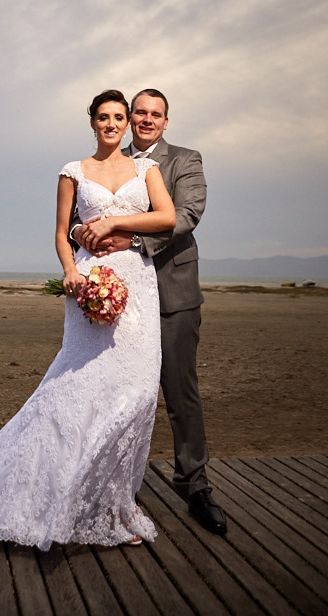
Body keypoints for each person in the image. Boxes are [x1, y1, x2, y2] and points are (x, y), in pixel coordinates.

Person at [0, 90, 176, 550]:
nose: (112, 124)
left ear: (127, 123)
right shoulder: (73, 171)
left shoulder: (146, 169)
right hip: (89, 282)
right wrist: (71, 271)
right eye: (103, 117)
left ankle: (112, 500)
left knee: (135, 390)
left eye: (119, 117)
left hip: (137, 285)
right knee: (80, 383)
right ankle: (58, 493)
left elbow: (167, 217)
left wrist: (113, 224)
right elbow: (60, 232)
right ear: (92, 122)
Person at [74, 88, 227, 535]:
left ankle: (195, 486)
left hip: (173, 293)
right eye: (139, 112)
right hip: (120, 297)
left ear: (165, 121)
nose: (145, 119)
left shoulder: (185, 160)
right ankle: (109, 484)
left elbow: (187, 214)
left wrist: (135, 239)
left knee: (180, 392)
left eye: (154, 114)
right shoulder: (111, 160)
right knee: (113, 389)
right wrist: (82, 234)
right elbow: (81, 216)